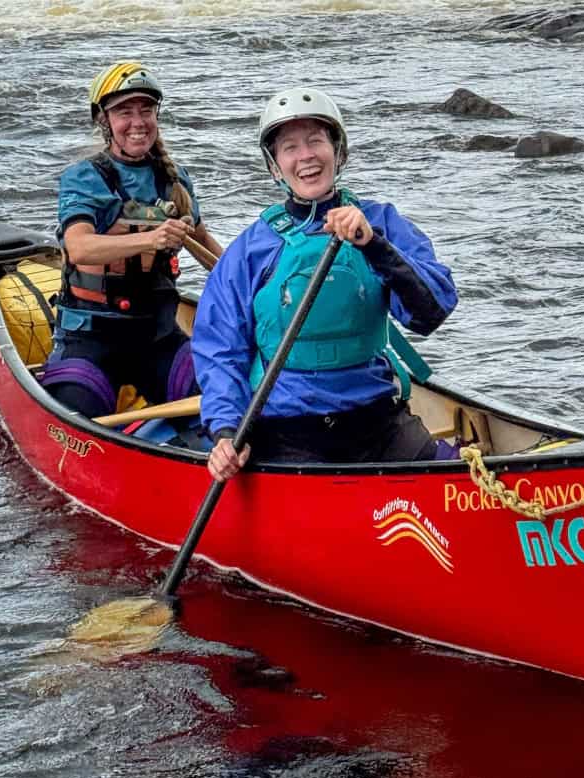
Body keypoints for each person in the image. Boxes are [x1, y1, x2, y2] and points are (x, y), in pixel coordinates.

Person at [191, 87, 458, 482]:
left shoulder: (380, 223)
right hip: (287, 428)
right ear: (274, 167)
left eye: (316, 141)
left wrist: (374, 246)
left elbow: (430, 313)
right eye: (290, 148)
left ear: (338, 151)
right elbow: (219, 350)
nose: (306, 157)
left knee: (450, 477)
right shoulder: (252, 249)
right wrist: (227, 430)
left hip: (377, 417)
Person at [40, 61, 222, 418]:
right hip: (90, 338)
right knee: (78, 412)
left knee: (217, 402)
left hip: (158, 336)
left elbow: (209, 249)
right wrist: (150, 239)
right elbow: (78, 247)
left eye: (146, 110)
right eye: (124, 111)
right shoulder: (84, 177)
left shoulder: (175, 180)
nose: (138, 122)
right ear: (103, 121)